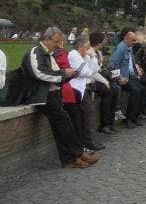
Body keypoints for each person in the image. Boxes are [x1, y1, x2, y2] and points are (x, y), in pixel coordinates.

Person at [22, 26, 96, 169]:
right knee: (63, 120)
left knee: (62, 122)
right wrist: (64, 74)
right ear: (47, 39)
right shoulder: (35, 52)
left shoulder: (48, 53)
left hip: (52, 93)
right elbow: (39, 73)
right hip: (40, 95)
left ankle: (72, 156)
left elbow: (53, 75)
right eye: (56, 41)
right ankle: (76, 154)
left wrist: (67, 75)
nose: (58, 45)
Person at [66, 34, 106, 152]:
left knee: (89, 113)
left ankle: (90, 139)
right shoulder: (74, 55)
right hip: (76, 88)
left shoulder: (84, 56)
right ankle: (89, 141)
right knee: (88, 112)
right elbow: (86, 72)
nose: (89, 49)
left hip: (84, 87)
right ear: (80, 46)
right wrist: (89, 64)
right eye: (87, 46)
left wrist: (92, 58)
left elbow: (93, 70)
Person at [108, 28, 146, 128]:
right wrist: (119, 78)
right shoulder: (121, 48)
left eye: (135, 40)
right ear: (126, 39)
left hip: (129, 75)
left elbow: (131, 62)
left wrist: (137, 67)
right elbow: (111, 65)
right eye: (133, 40)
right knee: (136, 91)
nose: (135, 42)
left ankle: (135, 116)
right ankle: (128, 119)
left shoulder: (129, 47)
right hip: (121, 77)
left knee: (142, 89)